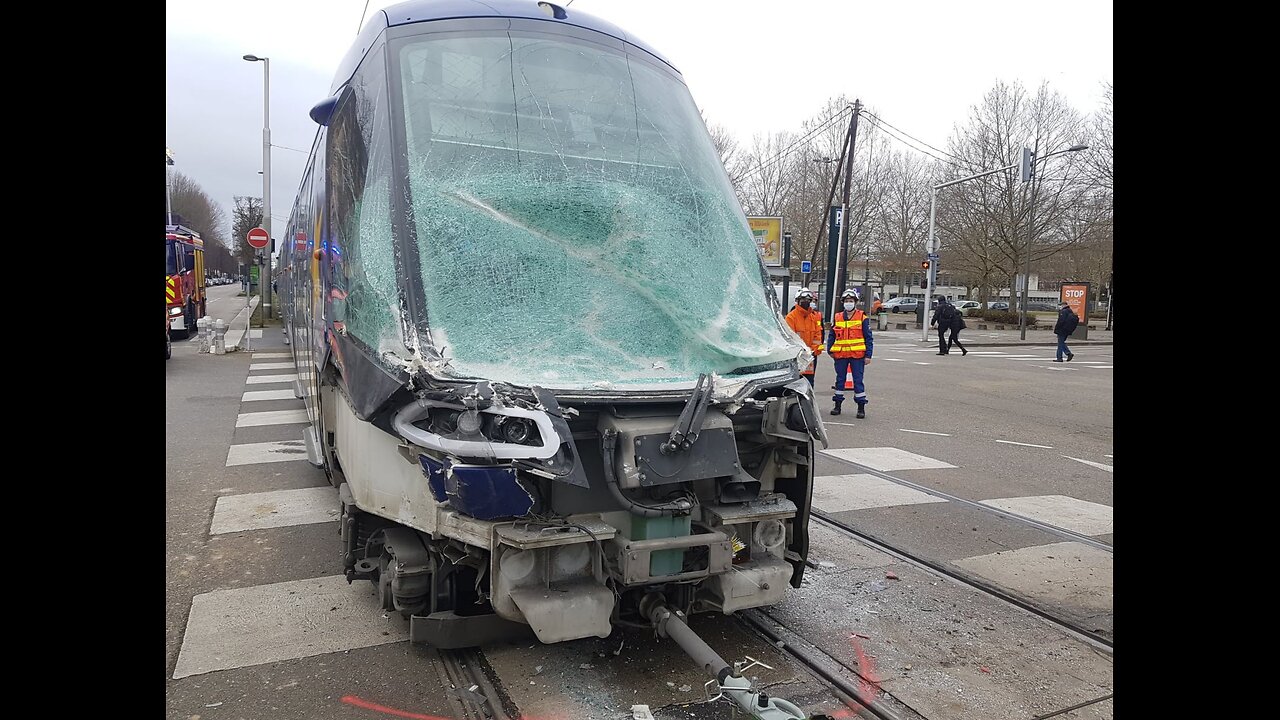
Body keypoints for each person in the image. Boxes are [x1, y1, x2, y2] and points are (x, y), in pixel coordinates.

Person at [827, 289, 873, 418]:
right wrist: (830, 350)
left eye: (851, 301)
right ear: (843, 303)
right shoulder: (837, 317)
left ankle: (861, 407)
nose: (849, 303)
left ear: (855, 302)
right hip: (840, 355)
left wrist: (868, 355)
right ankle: (837, 406)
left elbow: (868, 337)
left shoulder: (862, 317)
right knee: (839, 381)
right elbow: (832, 335)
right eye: (846, 301)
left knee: (858, 382)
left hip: (857, 356)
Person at [785, 288, 824, 386]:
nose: (805, 303)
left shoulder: (813, 317)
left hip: (810, 355)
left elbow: (818, 335)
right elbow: (790, 337)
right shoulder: (791, 317)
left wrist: (813, 350)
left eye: (808, 301)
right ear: (797, 301)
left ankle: (808, 401)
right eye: (803, 300)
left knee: (809, 382)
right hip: (796, 356)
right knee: (795, 382)